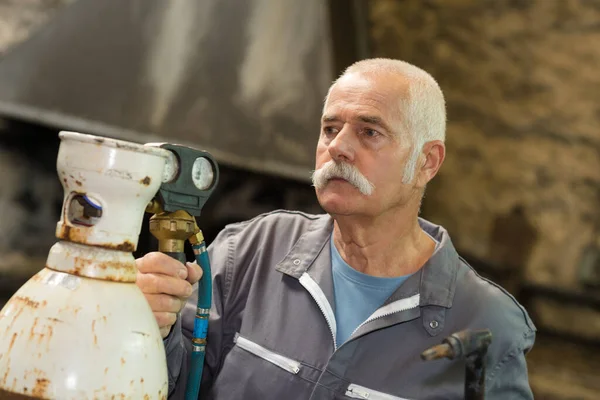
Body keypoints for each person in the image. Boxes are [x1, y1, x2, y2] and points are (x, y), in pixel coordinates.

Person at [135, 58, 536, 399]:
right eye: (330, 129)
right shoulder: (252, 251)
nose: (338, 147)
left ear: (427, 162)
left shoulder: (486, 328)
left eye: (369, 132)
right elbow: (179, 384)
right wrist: (153, 326)